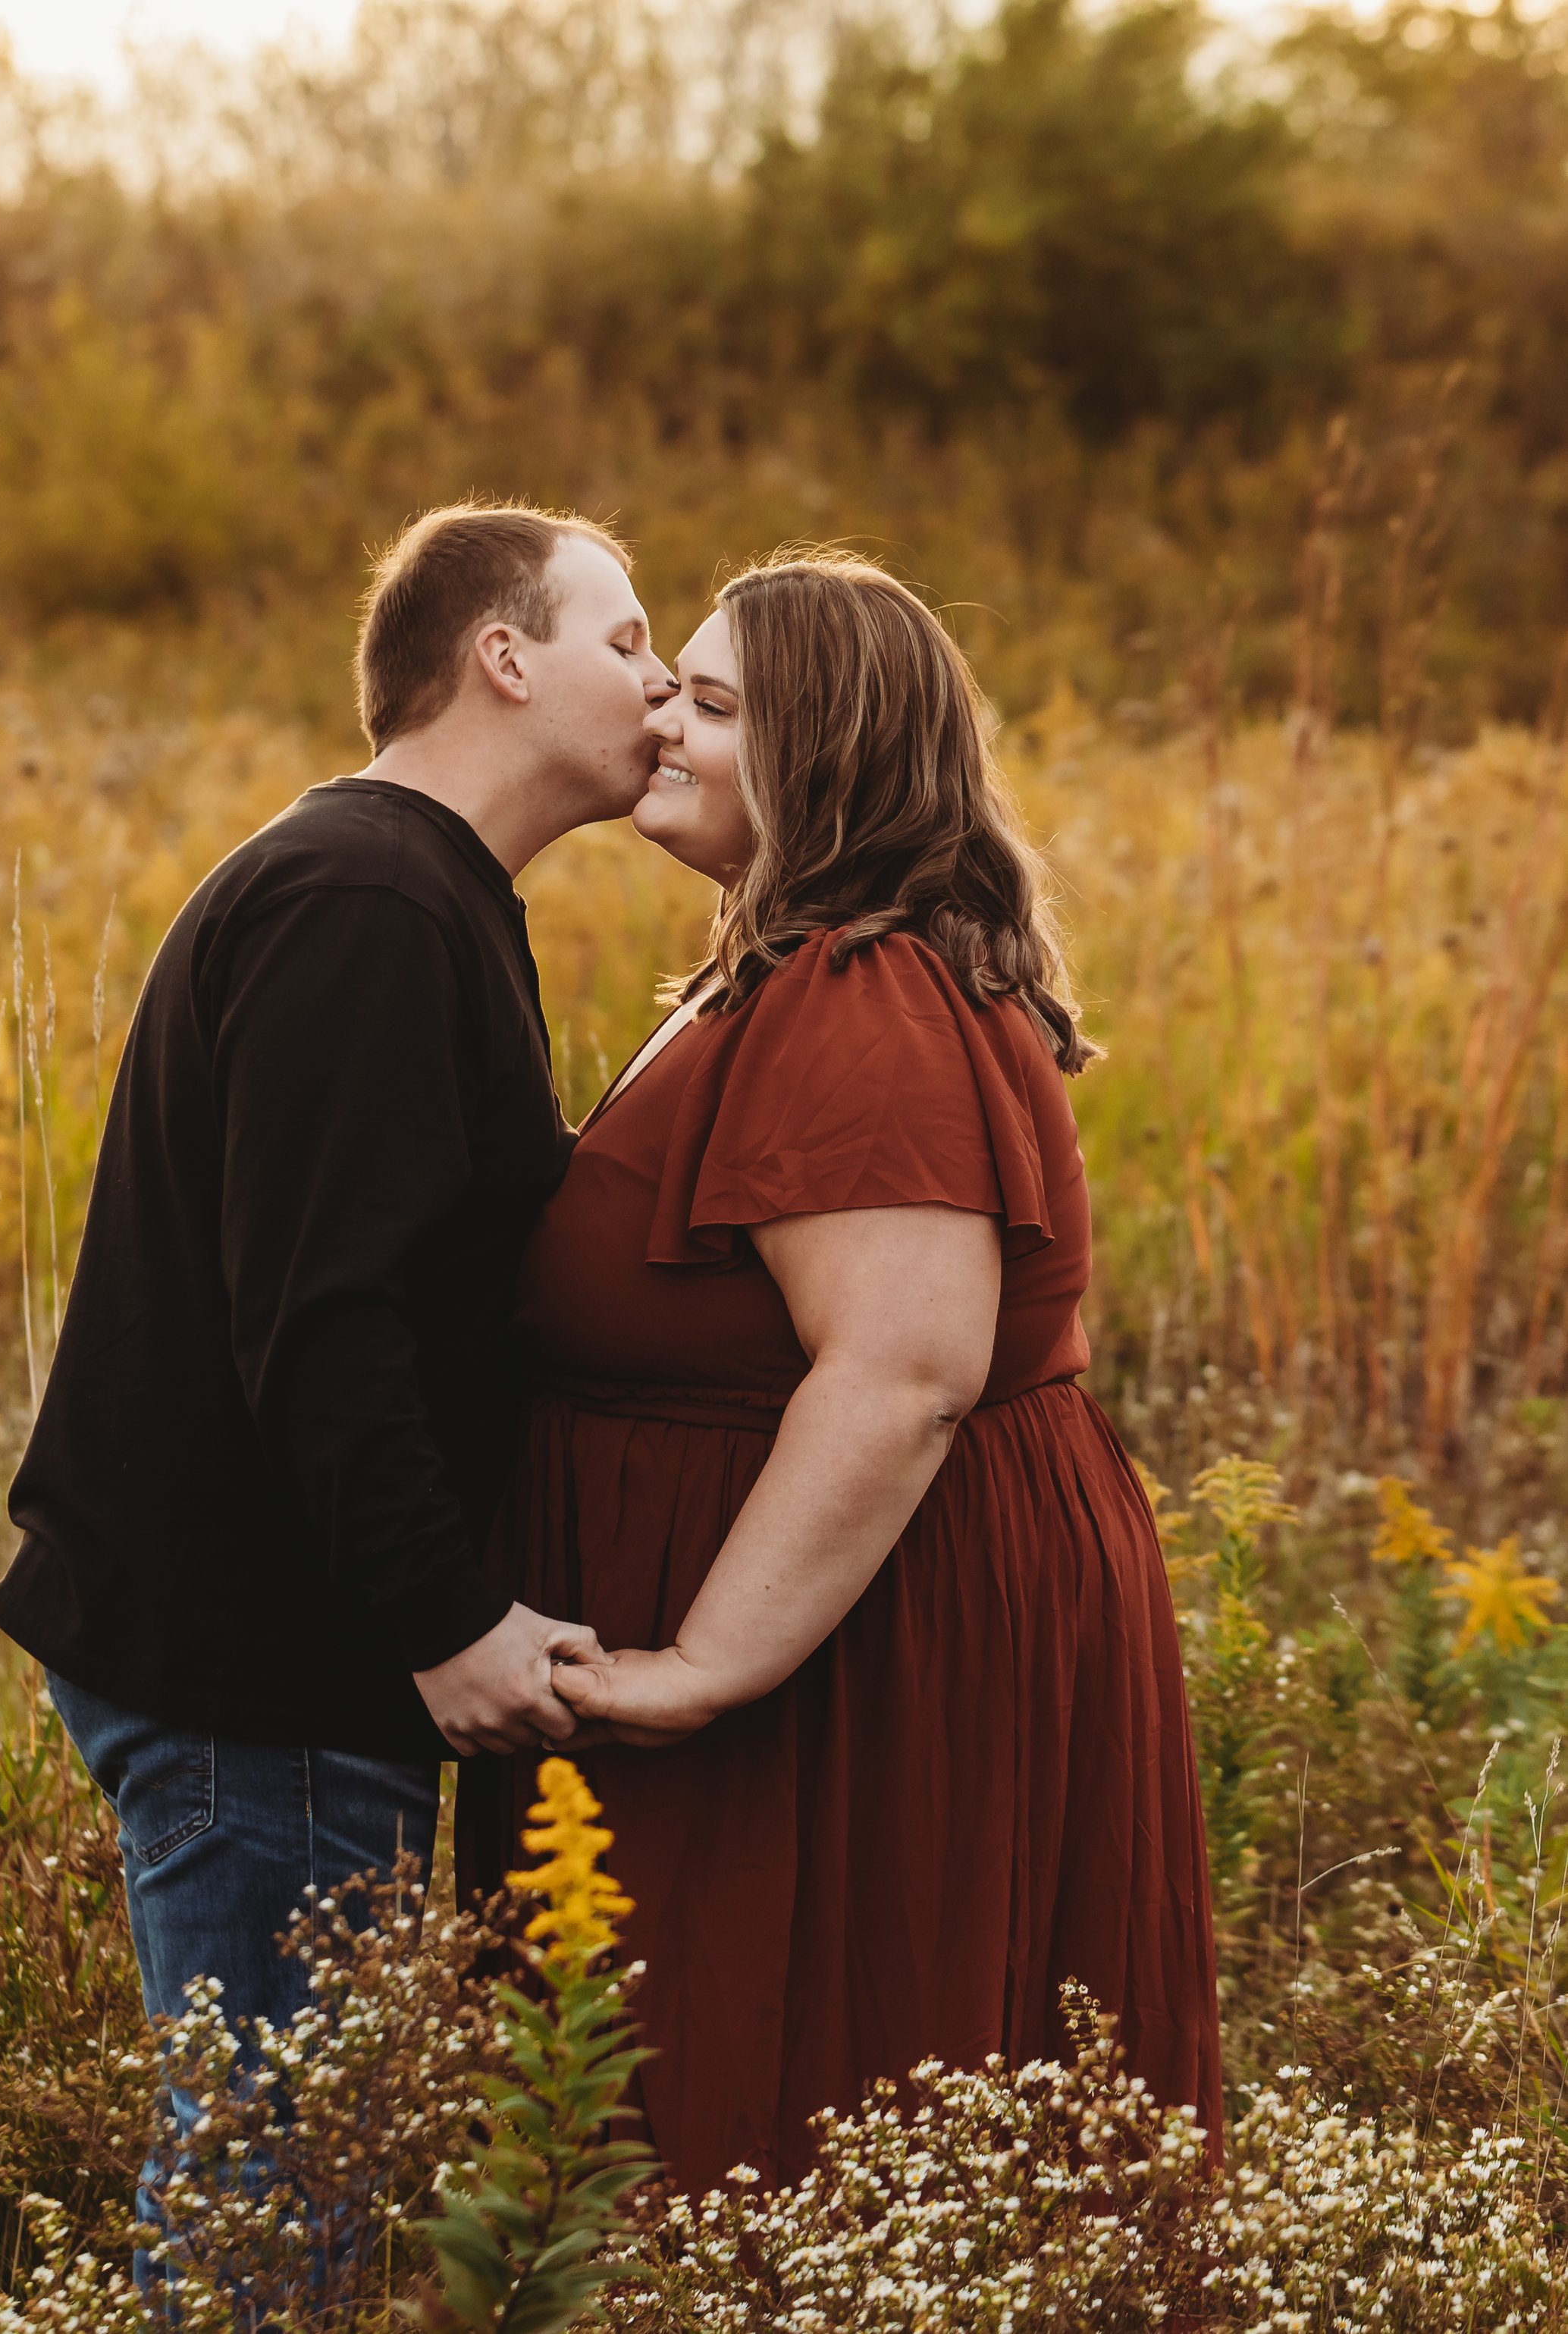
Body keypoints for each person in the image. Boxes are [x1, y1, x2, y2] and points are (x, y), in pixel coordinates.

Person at [484, 551, 1221, 2195]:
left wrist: (704, 1666)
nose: (662, 723)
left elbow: (900, 1372)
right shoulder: (794, 965)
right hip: (847, 1622)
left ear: (829, 754)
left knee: (813, 2087)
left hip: (849, 1656)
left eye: (715, 703)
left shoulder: (857, 994)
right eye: (668, 683)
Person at [0, 500, 667, 2258]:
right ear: (500, 658)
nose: (661, 685)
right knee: (267, 2225)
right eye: (624, 640)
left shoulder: (417, 891)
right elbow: (321, 1318)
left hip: (281, 1673)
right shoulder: (364, 895)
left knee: (299, 2202)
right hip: (259, 1679)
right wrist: (445, 1617)